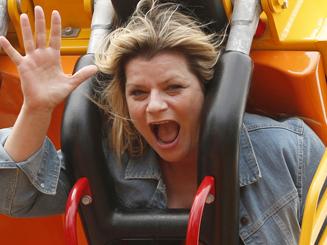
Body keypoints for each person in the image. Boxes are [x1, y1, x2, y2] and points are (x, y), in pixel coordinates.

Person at [0, 0, 325, 244]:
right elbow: (18, 196)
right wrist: (36, 109)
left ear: (206, 91)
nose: (154, 106)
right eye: (138, 93)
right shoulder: (110, 161)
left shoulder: (289, 151)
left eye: (174, 88)